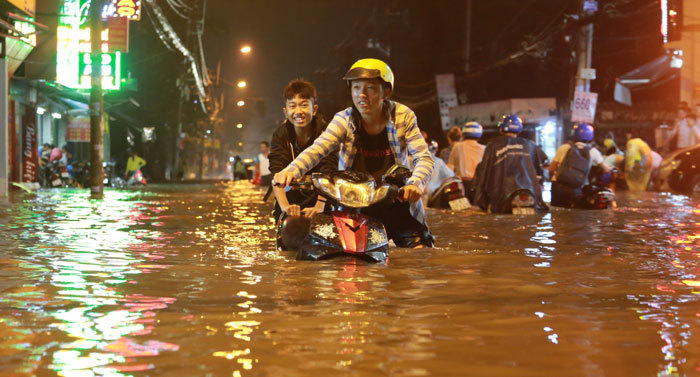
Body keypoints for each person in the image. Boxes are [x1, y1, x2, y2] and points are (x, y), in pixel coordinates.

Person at [274, 58, 435, 248]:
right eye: (356, 87)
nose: (362, 95)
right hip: (354, 210)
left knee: (419, 254)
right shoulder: (344, 119)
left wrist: (416, 183)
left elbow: (423, 157)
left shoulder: (403, 116)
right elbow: (318, 149)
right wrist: (292, 170)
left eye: (371, 88)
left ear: (387, 92)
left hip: (396, 205)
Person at [269, 79, 338, 220]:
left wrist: (319, 206)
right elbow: (277, 173)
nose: (298, 112)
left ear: (315, 110)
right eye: (292, 106)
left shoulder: (327, 133)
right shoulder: (280, 135)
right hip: (290, 196)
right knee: (287, 233)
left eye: (304, 105)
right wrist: (285, 207)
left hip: (323, 196)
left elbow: (329, 171)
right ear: (285, 111)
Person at [472, 114, 547, 213]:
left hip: (501, 194)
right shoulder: (530, 145)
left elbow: (484, 171)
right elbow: (543, 165)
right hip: (529, 192)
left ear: (501, 129)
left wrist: (481, 203)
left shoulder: (493, 146)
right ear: (519, 129)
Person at [548, 123, 611, 207]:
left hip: (558, 187)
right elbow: (605, 169)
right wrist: (612, 168)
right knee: (575, 215)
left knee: (557, 213)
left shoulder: (564, 147)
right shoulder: (593, 151)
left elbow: (551, 169)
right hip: (577, 187)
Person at [447, 121, 485, 198]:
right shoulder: (484, 149)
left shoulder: (457, 147)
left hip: (461, 186)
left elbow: (449, 169)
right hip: (479, 186)